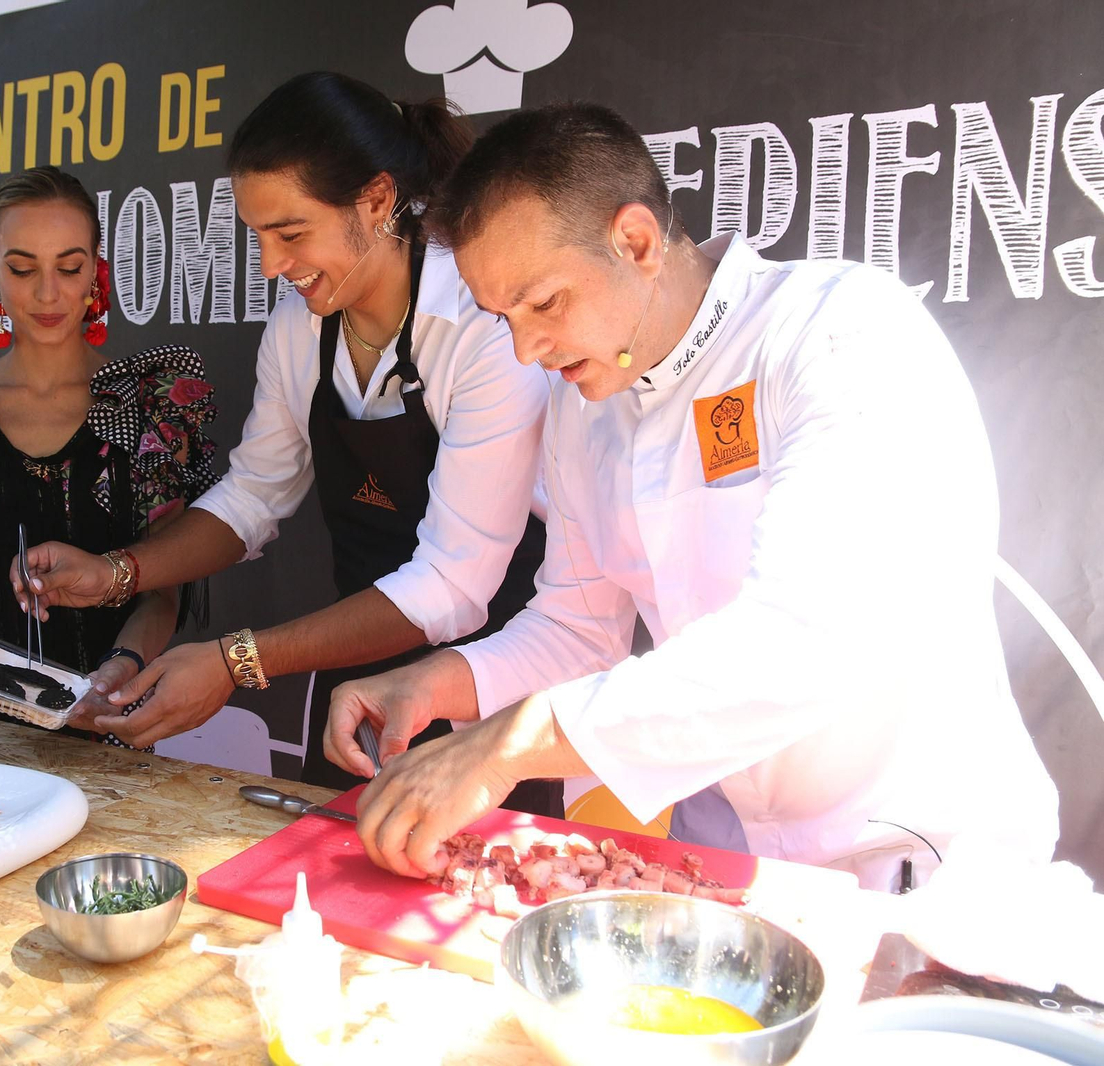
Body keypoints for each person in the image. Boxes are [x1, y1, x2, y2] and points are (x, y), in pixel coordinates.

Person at [328, 102, 1060, 891]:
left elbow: (802, 643)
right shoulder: (583, 407)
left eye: (544, 303)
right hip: (730, 855)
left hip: (916, 859)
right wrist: (434, 683)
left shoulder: (837, 331)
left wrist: (507, 745)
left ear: (636, 241)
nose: (526, 348)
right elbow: (577, 626)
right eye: (505, 317)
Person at [16, 73, 560, 814]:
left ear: (375, 200)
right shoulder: (299, 330)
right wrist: (116, 573)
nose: (272, 264)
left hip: (485, 694)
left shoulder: (482, 325)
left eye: (292, 233)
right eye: (259, 236)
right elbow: (253, 496)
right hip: (354, 686)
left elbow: (452, 588)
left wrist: (237, 662)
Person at [0, 166, 218, 746]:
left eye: (68, 267)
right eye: (22, 268)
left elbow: (164, 589)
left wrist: (121, 666)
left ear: (95, 268)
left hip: (110, 727)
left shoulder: (145, 407)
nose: (47, 294)